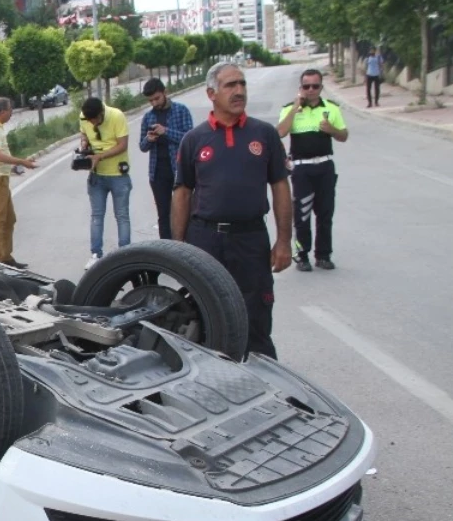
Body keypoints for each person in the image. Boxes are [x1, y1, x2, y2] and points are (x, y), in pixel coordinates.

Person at [172, 61, 293, 359]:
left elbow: (280, 187)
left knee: (257, 320)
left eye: (242, 84)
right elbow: (182, 193)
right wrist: (177, 248)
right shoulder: (194, 139)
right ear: (211, 93)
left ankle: (267, 389)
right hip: (205, 240)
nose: (239, 91)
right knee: (203, 316)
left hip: (250, 239)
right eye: (231, 85)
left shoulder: (264, 135)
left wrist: (284, 241)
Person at [277, 68, 349, 271]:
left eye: (315, 86)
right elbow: (280, 132)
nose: (310, 90)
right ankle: (302, 255)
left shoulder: (331, 109)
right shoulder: (290, 109)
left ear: (321, 88)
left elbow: (343, 135)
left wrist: (332, 130)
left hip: (325, 166)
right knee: (302, 215)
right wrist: (295, 108)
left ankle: (323, 255)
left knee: (325, 214)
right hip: (302, 170)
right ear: (300, 88)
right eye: (306, 86)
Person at [0, 97, 36, 268]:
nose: (11, 113)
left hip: (0, 177)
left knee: (9, 219)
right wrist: (20, 161)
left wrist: (12, 168)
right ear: (2, 111)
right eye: (10, 109)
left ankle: (6, 257)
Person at [78, 97, 132, 270]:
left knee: (121, 215)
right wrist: (84, 144)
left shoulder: (117, 116)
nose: (93, 123)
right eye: (90, 120)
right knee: (96, 216)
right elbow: (84, 133)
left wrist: (99, 156)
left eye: (96, 120)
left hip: (118, 174)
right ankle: (95, 254)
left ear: (102, 113)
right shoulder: (84, 117)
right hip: (96, 176)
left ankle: (125, 254)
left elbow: (123, 145)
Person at [139, 78, 194, 240]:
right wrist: (149, 139)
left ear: (165, 93)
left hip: (179, 170)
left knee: (185, 212)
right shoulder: (148, 117)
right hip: (157, 172)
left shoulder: (181, 110)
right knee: (164, 215)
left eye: (157, 98)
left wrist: (166, 131)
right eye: (151, 101)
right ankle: (167, 254)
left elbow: (189, 139)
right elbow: (142, 147)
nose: (154, 103)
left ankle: (188, 248)